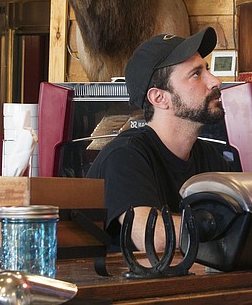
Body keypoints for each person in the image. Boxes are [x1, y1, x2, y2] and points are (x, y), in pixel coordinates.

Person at [87, 27, 238, 251]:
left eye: (207, 70)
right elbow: (153, 236)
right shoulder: (124, 157)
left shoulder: (210, 159)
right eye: (196, 74)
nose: (216, 81)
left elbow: (244, 222)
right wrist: (220, 226)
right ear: (159, 97)